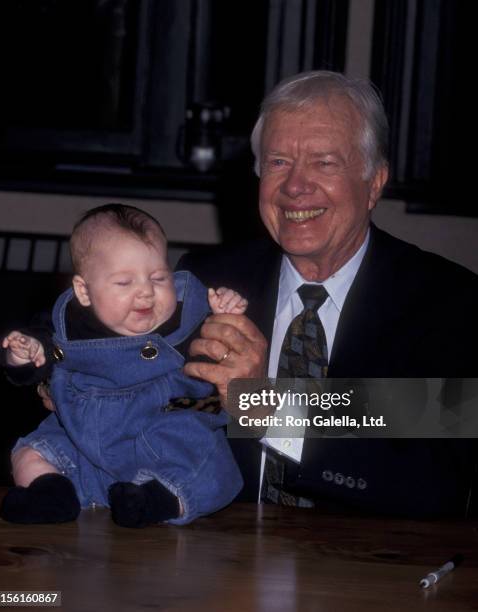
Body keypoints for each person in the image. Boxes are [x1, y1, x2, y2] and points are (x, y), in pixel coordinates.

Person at [179, 70, 478, 518]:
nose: (296, 186)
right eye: (279, 162)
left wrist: (272, 410)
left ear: (375, 182)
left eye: (324, 162)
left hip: (370, 569)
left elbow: (436, 483)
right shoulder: (204, 281)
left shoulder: (447, 302)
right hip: (217, 562)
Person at [0, 204, 245, 527]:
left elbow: (314, 418)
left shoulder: (192, 310)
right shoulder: (65, 321)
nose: (146, 291)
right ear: (83, 291)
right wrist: (25, 354)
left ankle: (156, 501)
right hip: (81, 438)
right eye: (124, 283)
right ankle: (51, 493)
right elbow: (36, 356)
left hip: (163, 437)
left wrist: (225, 322)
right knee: (31, 452)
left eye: (159, 277)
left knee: (203, 462)